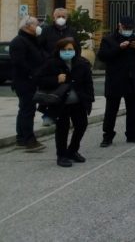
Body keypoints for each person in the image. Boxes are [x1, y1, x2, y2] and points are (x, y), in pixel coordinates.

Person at [34, 38, 94, 167]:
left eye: (70, 49)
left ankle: (72, 151)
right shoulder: (51, 63)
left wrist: (89, 99)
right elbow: (38, 79)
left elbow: (88, 83)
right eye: (64, 49)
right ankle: (61, 155)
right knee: (62, 129)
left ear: (75, 50)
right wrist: (56, 79)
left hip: (78, 102)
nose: (67, 52)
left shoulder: (82, 63)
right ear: (58, 50)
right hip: (60, 103)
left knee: (81, 125)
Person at [97, 16, 135, 147]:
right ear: (119, 26)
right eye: (126, 28)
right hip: (115, 80)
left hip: (132, 80)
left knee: (133, 109)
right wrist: (119, 48)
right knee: (111, 110)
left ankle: (132, 134)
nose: (128, 31)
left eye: (130, 28)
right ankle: (107, 136)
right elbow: (103, 56)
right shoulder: (108, 39)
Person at [10, 16, 46, 152]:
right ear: (27, 26)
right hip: (24, 81)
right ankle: (29, 140)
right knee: (27, 111)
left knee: (25, 109)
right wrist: (33, 74)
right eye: (36, 24)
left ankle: (21, 138)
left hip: (31, 81)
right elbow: (20, 63)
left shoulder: (31, 40)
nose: (39, 26)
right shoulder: (19, 42)